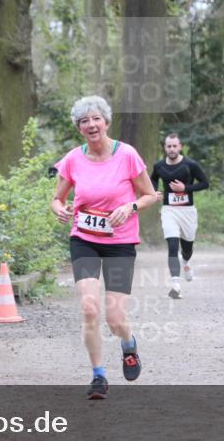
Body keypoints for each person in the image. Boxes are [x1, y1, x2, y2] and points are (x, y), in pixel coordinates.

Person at [51, 95, 160, 400]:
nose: (91, 124)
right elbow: (57, 197)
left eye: (96, 118)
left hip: (120, 242)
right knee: (89, 308)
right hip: (83, 239)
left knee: (114, 319)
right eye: (84, 121)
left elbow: (152, 194)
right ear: (79, 128)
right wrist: (58, 208)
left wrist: (131, 207)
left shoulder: (127, 155)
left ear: (106, 122)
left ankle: (128, 344)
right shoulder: (73, 159)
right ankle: (98, 376)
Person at [149, 133, 210, 299]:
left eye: (175, 146)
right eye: (169, 146)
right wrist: (154, 192)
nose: (172, 149)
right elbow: (152, 180)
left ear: (180, 146)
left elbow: (205, 183)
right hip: (169, 210)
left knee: (187, 248)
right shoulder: (159, 166)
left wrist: (185, 188)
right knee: (172, 245)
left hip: (188, 211)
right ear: (165, 148)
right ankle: (175, 284)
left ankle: (186, 262)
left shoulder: (191, 164)